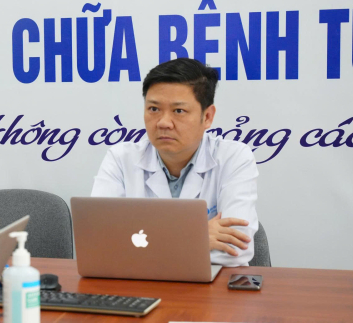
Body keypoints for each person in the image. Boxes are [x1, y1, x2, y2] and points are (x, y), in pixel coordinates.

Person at [90, 58, 257, 266]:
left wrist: (142, 247)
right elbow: (99, 243)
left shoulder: (234, 157)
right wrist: (196, 237)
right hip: (138, 282)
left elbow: (235, 249)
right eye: (154, 109)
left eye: (178, 111)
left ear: (207, 116)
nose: (163, 123)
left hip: (213, 283)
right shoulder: (120, 158)